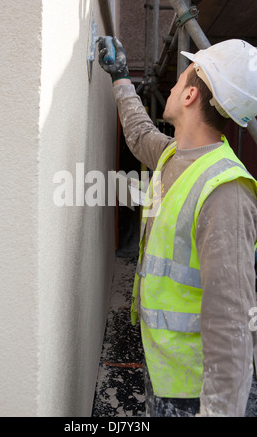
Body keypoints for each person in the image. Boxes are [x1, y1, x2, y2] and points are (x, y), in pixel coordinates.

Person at [98, 37, 257, 417]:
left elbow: (233, 322)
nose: (170, 85)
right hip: (164, 368)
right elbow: (139, 135)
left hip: (193, 391)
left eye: (179, 77)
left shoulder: (226, 191)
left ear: (189, 96)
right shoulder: (174, 155)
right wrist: (120, 78)